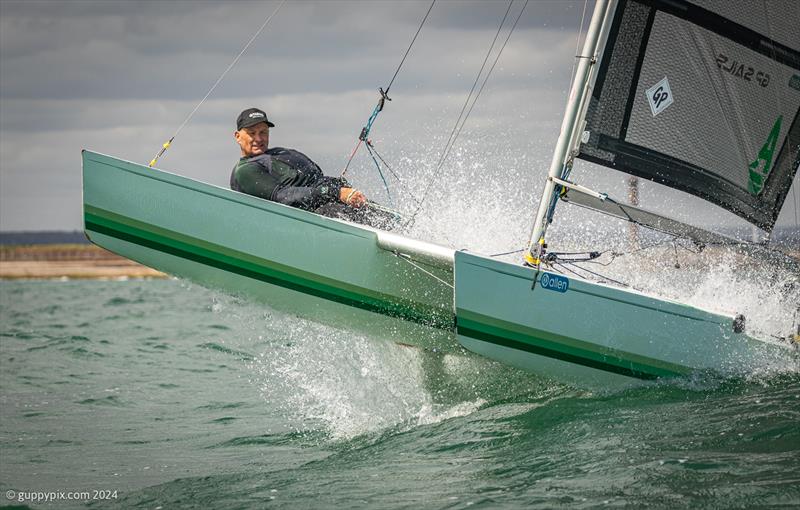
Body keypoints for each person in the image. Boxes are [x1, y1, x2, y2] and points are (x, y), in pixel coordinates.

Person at [231, 108, 393, 226]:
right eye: (252, 133)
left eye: (263, 132)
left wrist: (342, 188)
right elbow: (283, 197)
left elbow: (318, 179)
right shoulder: (245, 170)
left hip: (333, 204)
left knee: (394, 222)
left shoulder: (280, 152)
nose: (258, 138)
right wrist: (335, 192)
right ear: (238, 136)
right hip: (314, 219)